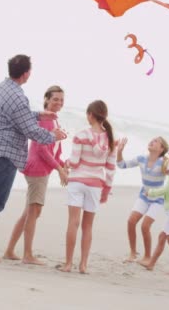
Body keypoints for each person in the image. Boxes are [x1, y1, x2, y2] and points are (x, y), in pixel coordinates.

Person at [0, 54, 67, 262]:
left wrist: (40, 115)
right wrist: (52, 136)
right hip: (6, 154)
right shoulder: (18, 95)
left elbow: (14, 117)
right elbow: (30, 130)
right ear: (26, 73)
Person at [3, 85, 68, 265]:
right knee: (34, 211)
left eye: (62, 100)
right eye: (55, 99)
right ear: (46, 99)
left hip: (42, 168)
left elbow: (54, 151)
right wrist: (59, 169)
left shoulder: (54, 121)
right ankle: (28, 255)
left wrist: (63, 165)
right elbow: (41, 150)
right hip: (37, 168)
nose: (59, 103)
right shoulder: (44, 120)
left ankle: (9, 250)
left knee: (30, 212)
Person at [58, 100, 116, 274]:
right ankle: (83, 265)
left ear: (90, 115)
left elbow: (74, 162)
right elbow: (111, 169)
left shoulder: (81, 134)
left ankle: (68, 264)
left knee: (73, 223)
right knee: (87, 226)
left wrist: (65, 164)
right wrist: (106, 190)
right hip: (96, 185)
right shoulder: (111, 139)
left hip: (77, 182)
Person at [117, 137, 169, 264]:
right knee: (131, 221)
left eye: (156, 141)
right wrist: (119, 151)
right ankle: (133, 253)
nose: (152, 141)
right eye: (152, 140)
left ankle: (147, 257)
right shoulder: (141, 159)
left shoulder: (163, 162)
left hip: (157, 200)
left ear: (161, 149)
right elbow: (121, 165)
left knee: (145, 226)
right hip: (144, 196)